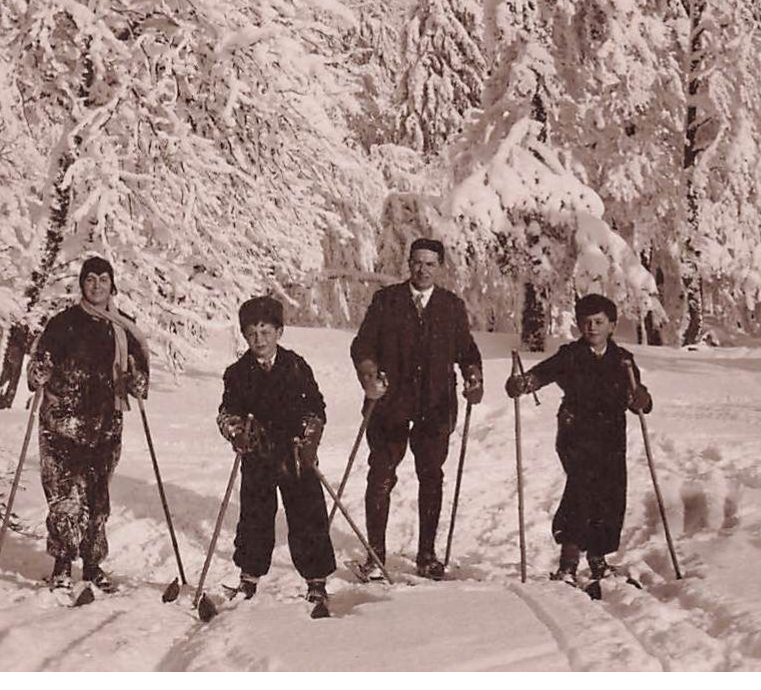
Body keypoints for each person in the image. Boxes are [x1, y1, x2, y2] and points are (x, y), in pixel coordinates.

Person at [349, 237, 484, 579]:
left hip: (435, 405)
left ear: (440, 268)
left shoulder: (451, 306)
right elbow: (363, 345)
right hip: (389, 403)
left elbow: (466, 350)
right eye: (417, 262)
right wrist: (368, 375)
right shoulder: (387, 300)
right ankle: (375, 556)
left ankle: (427, 555)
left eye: (430, 264)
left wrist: (473, 376)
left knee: (431, 476)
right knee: (380, 474)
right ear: (408, 263)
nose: (422, 269)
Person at [504, 292, 654, 584]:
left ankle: (598, 558)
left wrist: (642, 399)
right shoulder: (570, 355)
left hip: (611, 435)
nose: (592, 328)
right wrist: (522, 384)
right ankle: (568, 564)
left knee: (611, 494)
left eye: (599, 322)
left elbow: (637, 398)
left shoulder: (623, 360)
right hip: (576, 432)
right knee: (582, 489)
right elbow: (540, 375)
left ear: (612, 325)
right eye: (586, 322)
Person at [26, 256, 149, 591]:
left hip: (105, 424)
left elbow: (139, 369)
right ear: (81, 284)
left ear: (112, 285)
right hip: (62, 423)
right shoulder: (63, 323)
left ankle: (93, 564)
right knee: (65, 497)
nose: (96, 285)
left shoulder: (123, 327)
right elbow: (42, 360)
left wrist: (137, 380)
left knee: (97, 497)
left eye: (103, 279)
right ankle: (63, 563)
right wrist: (39, 372)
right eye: (90, 279)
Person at [217, 295, 338, 611]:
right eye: (252, 333)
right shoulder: (237, 372)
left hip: (295, 454)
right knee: (255, 515)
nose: (259, 340)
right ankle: (249, 577)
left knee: (307, 514)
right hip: (258, 454)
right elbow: (227, 412)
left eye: (266, 332)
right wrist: (237, 431)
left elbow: (316, 407)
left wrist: (310, 436)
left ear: (279, 332)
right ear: (244, 335)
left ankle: (316, 582)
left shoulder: (295, 365)